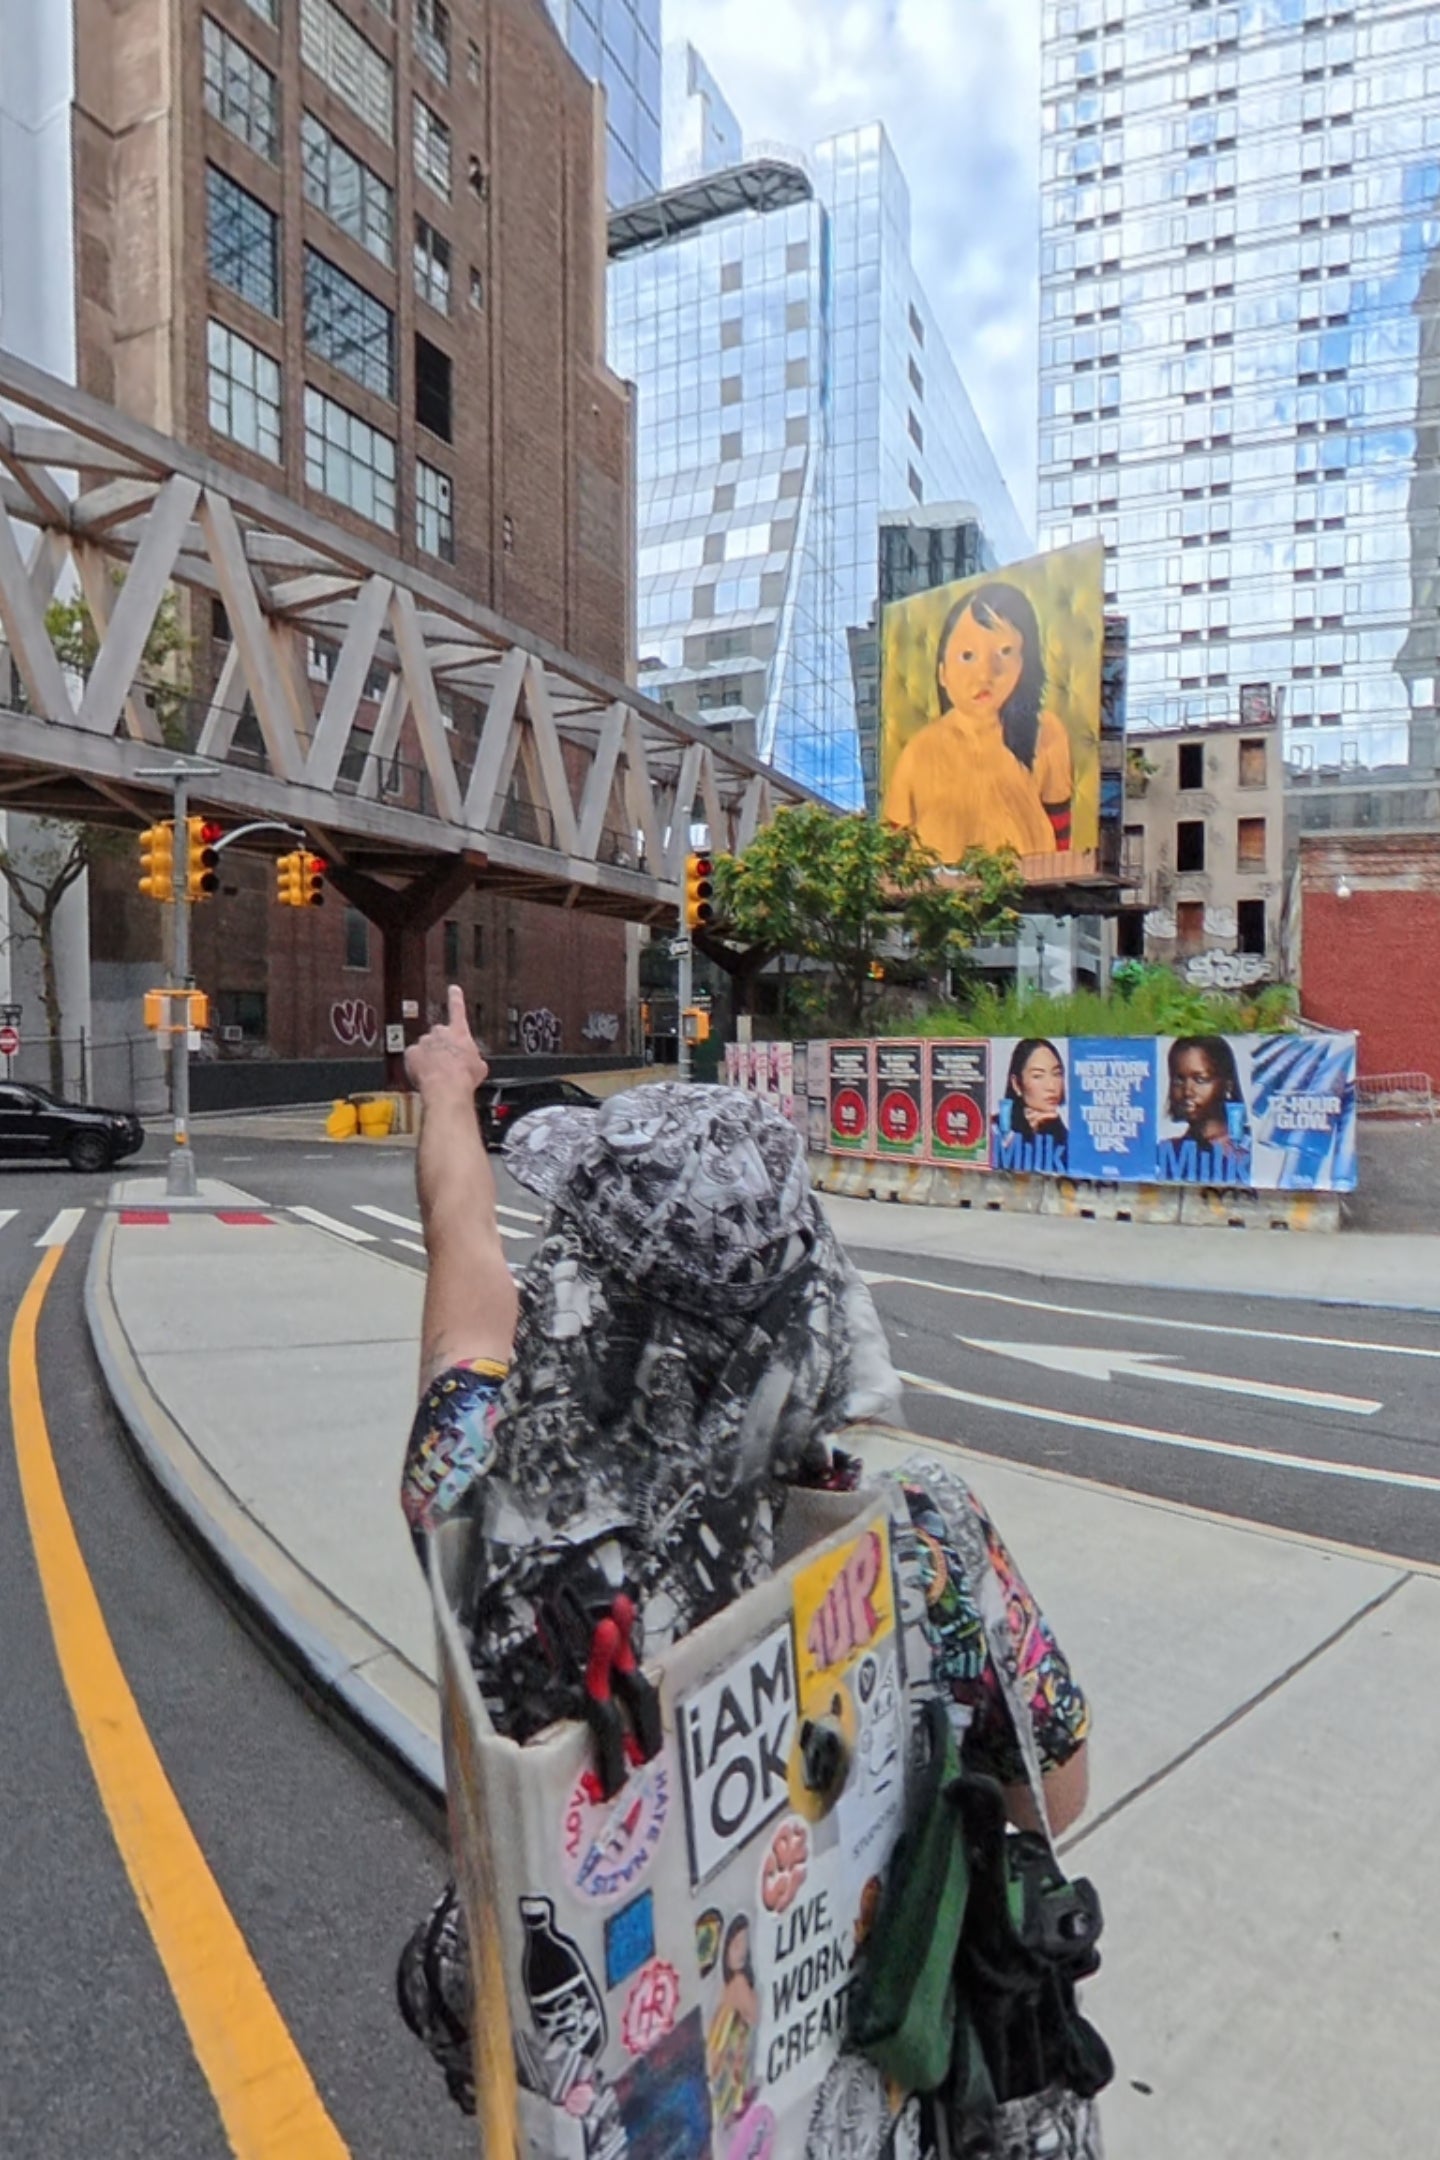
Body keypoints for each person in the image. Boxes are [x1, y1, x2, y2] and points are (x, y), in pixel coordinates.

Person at [393, 988, 1091, 2117]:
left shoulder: (476, 1492)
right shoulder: (921, 1529)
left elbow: (462, 1256)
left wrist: (447, 1091)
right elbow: (1055, 1790)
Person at [882, 582, 1074, 864]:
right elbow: (892, 846)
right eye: (967, 656)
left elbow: (1060, 828)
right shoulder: (919, 751)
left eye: (1005, 652)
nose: (985, 673)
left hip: (1031, 895)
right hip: (938, 899)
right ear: (942, 673)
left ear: (1025, 662)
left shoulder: (1046, 731)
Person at [1158, 1034, 1250, 1184]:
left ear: (1227, 1085)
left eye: (1200, 1080)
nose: (1188, 1091)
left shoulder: (1253, 1148)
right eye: (1178, 1080)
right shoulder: (1167, 1152)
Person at [994, 1037, 1069, 1170]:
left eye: (1057, 1074)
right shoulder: (995, 1128)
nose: (1051, 1086)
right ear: (1016, 1084)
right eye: (1038, 1076)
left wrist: (1057, 1130)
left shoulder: (1062, 1131)